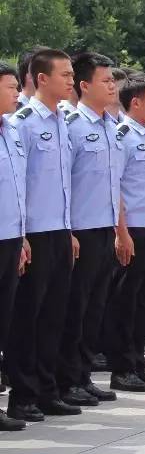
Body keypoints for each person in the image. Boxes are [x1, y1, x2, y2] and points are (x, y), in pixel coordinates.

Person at [5, 48, 78, 422]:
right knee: (28, 318)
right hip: (32, 233)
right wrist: (25, 236)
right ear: (42, 78)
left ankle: (48, 389)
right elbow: (21, 185)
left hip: (60, 231)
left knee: (55, 315)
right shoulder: (24, 123)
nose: (70, 80)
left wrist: (68, 229)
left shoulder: (62, 120)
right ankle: (24, 394)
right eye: (64, 75)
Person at [58, 52, 123, 409]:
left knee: (95, 306)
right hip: (80, 230)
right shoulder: (72, 126)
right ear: (84, 86)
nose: (113, 86)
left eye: (113, 81)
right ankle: (67, 379)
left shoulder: (110, 126)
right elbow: (63, 183)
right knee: (76, 308)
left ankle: (83, 375)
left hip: (104, 229)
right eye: (105, 81)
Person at [103, 75, 145, 394]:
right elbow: (114, 186)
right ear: (136, 102)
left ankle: (138, 361)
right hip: (132, 229)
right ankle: (122, 366)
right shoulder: (123, 136)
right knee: (125, 300)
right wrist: (122, 231)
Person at [0, 63, 30, 431]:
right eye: (9, 87)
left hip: (9, 239)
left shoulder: (12, 131)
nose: (16, 94)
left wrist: (22, 236)